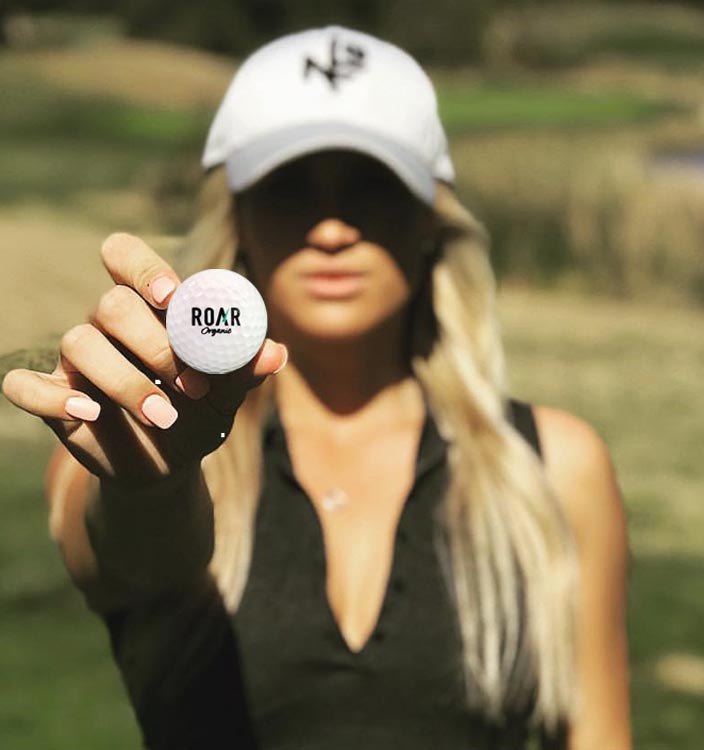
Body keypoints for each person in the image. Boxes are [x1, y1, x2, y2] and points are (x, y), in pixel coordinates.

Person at [2, 25, 631, 750]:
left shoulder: (556, 466)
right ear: (235, 218)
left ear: (428, 220)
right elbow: (136, 553)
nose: (331, 228)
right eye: (288, 188)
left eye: (371, 186)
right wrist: (153, 483)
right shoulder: (134, 448)